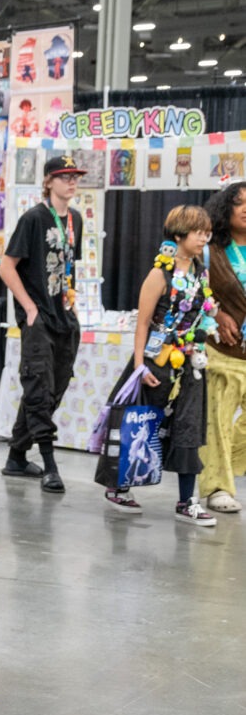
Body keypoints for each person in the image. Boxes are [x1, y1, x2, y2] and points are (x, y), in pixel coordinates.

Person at [98, 205, 217, 526]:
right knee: (140, 423)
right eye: (198, 232)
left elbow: (202, 312)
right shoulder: (158, 274)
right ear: (179, 235)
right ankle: (119, 487)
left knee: (189, 427)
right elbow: (143, 323)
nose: (204, 238)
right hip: (155, 362)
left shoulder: (199, 273)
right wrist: (139, 367)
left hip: (190, 363)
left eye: (207, 232)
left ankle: (186, 500)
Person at [0, 155, 85, 494]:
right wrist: (29, 307)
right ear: (49, 181)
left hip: (65, 315)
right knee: (38, 388)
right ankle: (49, 464)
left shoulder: (75, 219)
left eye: (75, 177)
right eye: (64, 177)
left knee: (54, 389)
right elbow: (7, 267)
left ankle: (17, 456)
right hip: (39, 320)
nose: (71, 182)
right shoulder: (34, 218)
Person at [198, 184, 246, 512]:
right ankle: (217, 486)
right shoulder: (209, 249)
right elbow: (188, 289)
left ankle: (212, 462)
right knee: (217, 419)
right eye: (239, 203)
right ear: (224, 210)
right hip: (222, 349)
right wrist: (216, 311)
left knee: (225, 432)